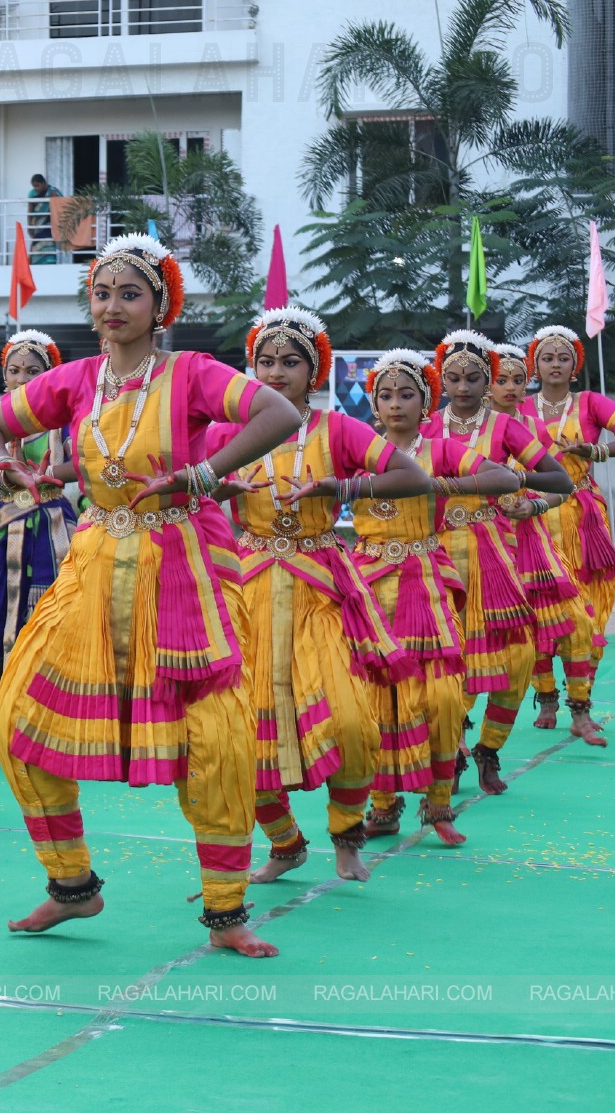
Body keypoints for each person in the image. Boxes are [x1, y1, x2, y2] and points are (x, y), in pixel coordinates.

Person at [0, 232, 302, 955]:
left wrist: (203, 474)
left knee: (214, 741)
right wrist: (4, 469)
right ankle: (71, 886)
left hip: (182, 568)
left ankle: (227, 914)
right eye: (101, 293)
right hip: (93, 566)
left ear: (160, 306)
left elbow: (280, 414)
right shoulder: (77, 380)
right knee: (21, 721)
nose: (111, 305)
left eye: (129, 293)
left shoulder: (191, 374)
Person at [218, 309, 429, 886]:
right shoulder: (229, 431)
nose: (276, 372)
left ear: (314, 372)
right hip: (249, 588)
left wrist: (342, 486)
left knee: (353, 723)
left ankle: (347, 836)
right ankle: (284, 843)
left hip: (320, 587)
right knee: (242, 730)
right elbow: (180, 482)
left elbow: (411, 476)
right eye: (266, 362)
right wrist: (216, 488)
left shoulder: (337, 430)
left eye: (291, 362)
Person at [351, 350, 518, 846]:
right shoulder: (356, 448)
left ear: (424, 403)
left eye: (406, 394)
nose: (395, 404)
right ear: (374, 405)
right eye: (385, 395)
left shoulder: (439, 449)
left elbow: (504, 477)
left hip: (424, 581)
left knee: (442, 698)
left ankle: (439, 803)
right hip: (368, 582)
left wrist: (439, 483)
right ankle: (383, 807)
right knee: (376, 698)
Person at [421, 331, 573, 792]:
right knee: (445, 661)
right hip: (435, 554)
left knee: (518, 657)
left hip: (496, 556)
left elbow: (559, 480)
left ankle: (489, 748)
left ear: (487, 380)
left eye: (473, 378)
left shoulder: (505, 428)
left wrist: (517, 487)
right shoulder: (426, 427)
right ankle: (451, 749)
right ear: (441, 379)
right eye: (453, 378)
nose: (463, 386)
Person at [519, 325, 615, 744]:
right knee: (538, 612)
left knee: (589, 615)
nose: (555, 364)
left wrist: (596, 451)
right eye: (547, 358)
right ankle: (546, 699)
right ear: (535, 365)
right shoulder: (519, 408)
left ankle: (582, 702)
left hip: (582, 521)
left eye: (563, 358)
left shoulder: (592, 403)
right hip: (534, 518)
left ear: (575, 366)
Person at [486, 341, 603, 767]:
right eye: (502, 379)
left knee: (576, 624)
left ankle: (580, 711)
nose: (511, 387)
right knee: (490, 642)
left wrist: (533, 506)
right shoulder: (458, 430)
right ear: (486, 385)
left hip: (532, 543)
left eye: (519, 380)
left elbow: (561, 488)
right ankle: (466, 738)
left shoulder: (532, 429)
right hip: (480, 548)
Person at [0, 330, 77, 762]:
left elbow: (83, 464)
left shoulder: (62, 423)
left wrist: (49, 473)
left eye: (33, 371)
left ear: (49, 375)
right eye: (14, 370)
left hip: (50, 536)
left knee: (47, 625)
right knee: (0, 621)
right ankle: (7, 729)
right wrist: (6, 468)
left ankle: (46, 730)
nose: (22, 379)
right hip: (2, 536)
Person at [26, 173, 61, 260]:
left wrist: (54, 197)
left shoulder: (53, 191)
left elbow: (61, 205)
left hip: (50, 225)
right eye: (34, 186)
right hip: (37, 225)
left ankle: (49, 261)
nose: (36, 188)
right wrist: (29, 226)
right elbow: (30, 211)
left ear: (43, 183)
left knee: (50, 246)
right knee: (35, 245)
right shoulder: (32, 193)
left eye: (37, 185)